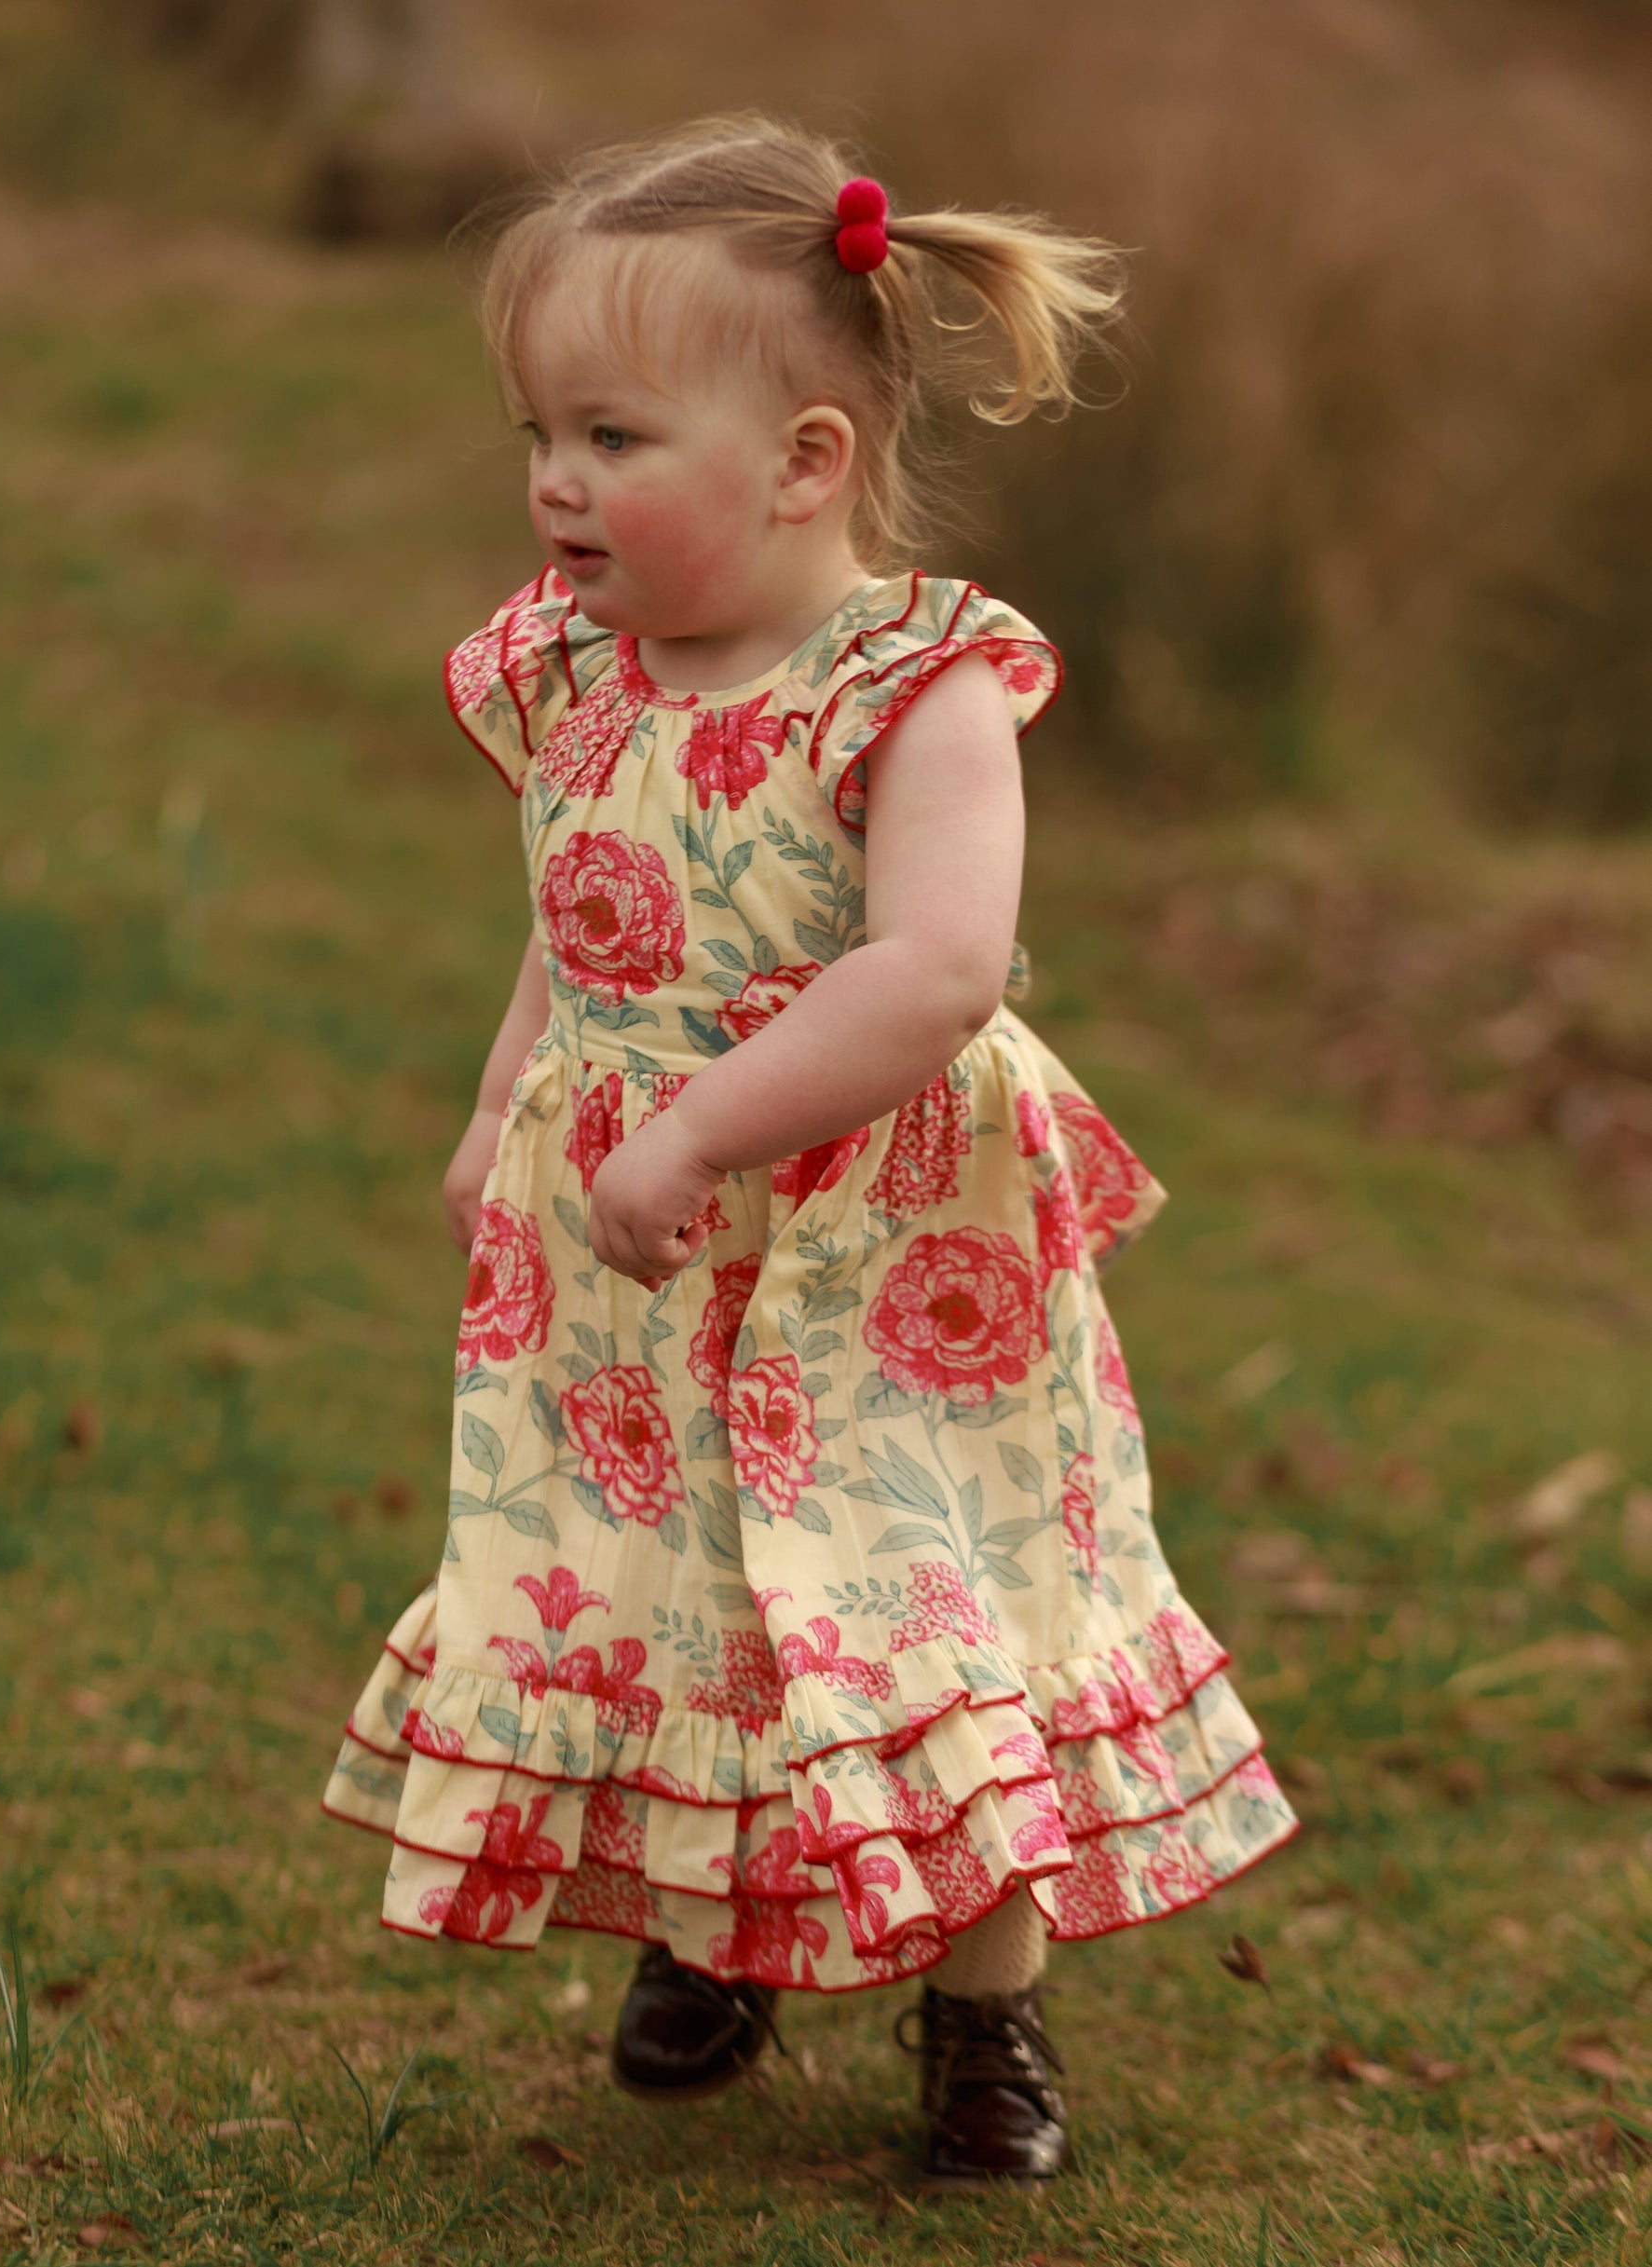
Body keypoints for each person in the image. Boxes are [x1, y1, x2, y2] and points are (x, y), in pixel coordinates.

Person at [324, 114, 1296, 2188]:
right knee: (682, 1593)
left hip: (876, 1243)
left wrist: (689, 1123)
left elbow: (935, 970)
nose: (554, 483)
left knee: (911, 1602)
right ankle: (715, 1929)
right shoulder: (574, 668)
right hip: (632, 1238)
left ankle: (982, 2008)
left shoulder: (914, 687)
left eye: (611, 434)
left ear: (804, 462)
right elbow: (576, 898)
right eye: (538, 431)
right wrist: (514, 1096)